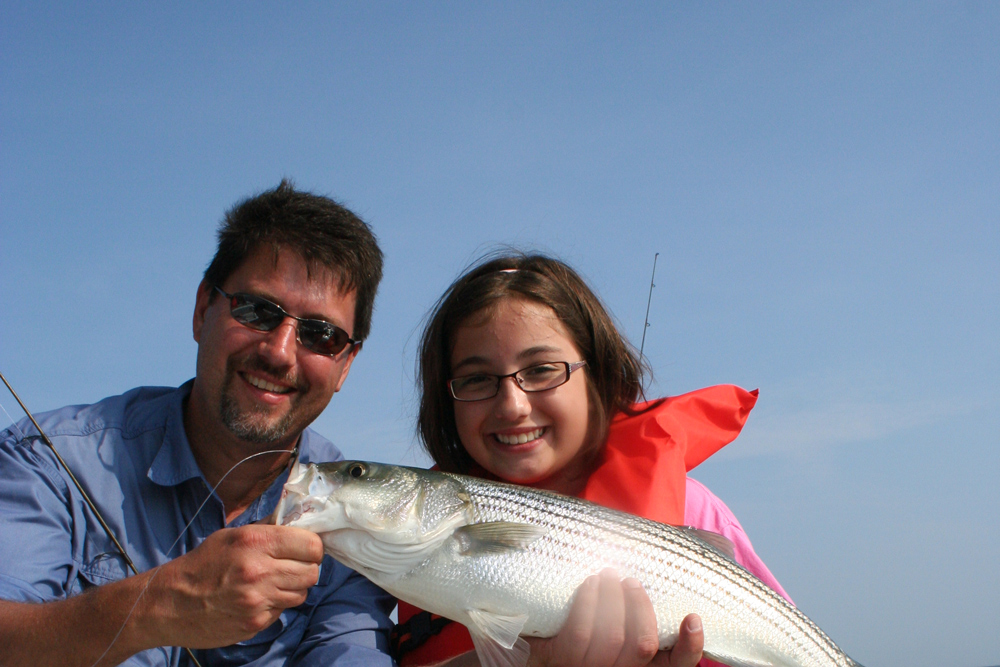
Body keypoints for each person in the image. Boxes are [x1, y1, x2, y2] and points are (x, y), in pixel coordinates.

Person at [0, 181, 394, 667]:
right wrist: (158, 604)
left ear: (346, 364)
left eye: (321, 335)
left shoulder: (364, 518)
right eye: (257, 311)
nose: (279, 352)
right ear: (203, 308)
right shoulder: (46, 463)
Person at [396, 253, 791, 667]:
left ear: (597, 376)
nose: (512, 406)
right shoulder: (398, 533)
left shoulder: (694, 508)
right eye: (477, 379)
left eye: (542, 370)